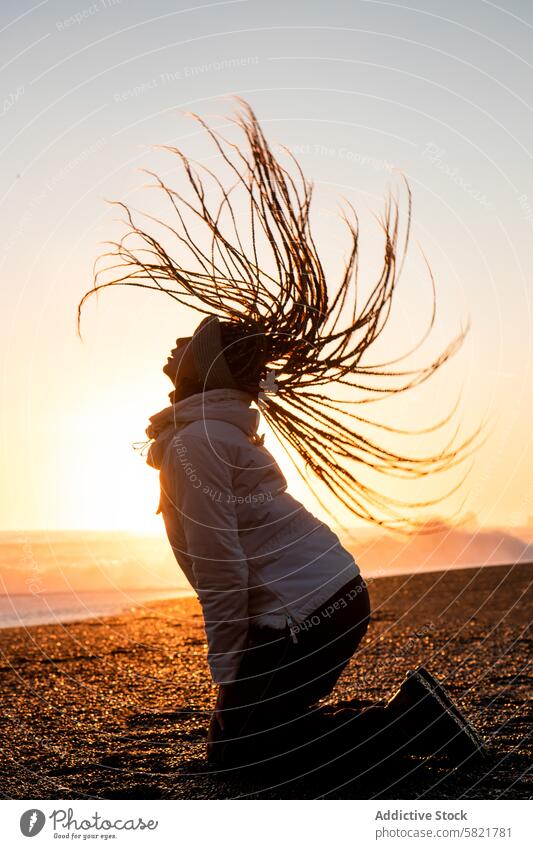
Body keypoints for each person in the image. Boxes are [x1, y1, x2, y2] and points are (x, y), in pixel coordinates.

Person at [78, 99, 484, 774]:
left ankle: (410, 719)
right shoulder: (205, 432)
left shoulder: (197, 443)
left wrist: (228, 669)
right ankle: (405, 717)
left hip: (311, 609)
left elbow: (222, 570)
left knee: (240, 761)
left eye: (189, 340)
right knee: (248, 745)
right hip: (320, 599)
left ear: (204, 368)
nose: (173, 346)